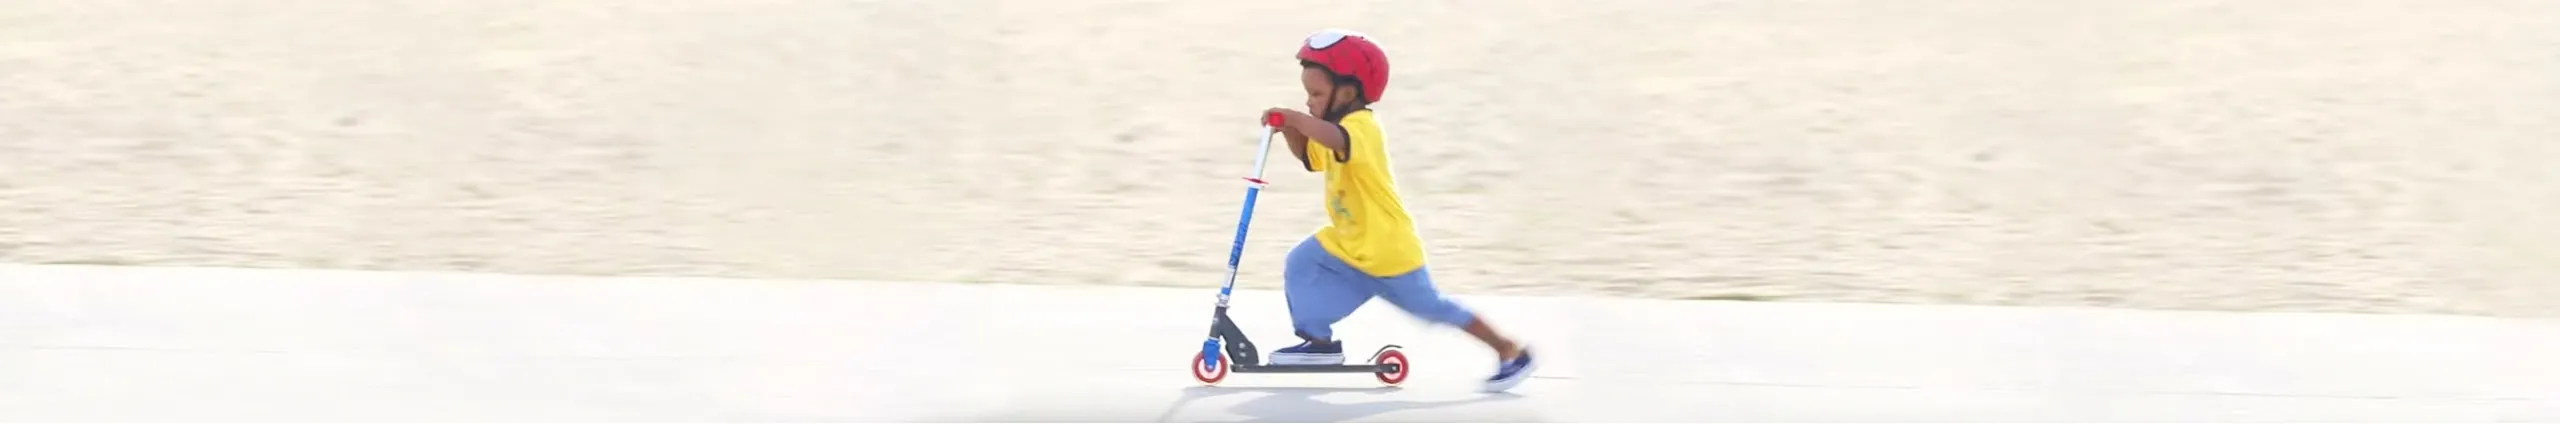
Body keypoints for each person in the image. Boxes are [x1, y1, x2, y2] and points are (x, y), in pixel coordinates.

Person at [1261, 28, 1537, 392]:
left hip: (1388, 252)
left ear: (1348, 93)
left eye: (1316, 94)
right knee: (1302, 261)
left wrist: (1297, 119)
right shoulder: (1330, 129)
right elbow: (1310, 158)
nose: (1309, 102)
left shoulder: (1361, 127)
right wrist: (1288, 129)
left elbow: (1335, 140)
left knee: (1435, 308)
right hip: (1348, 244)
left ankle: (1508, 350)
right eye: (1307, 95)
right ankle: (1319, 343)